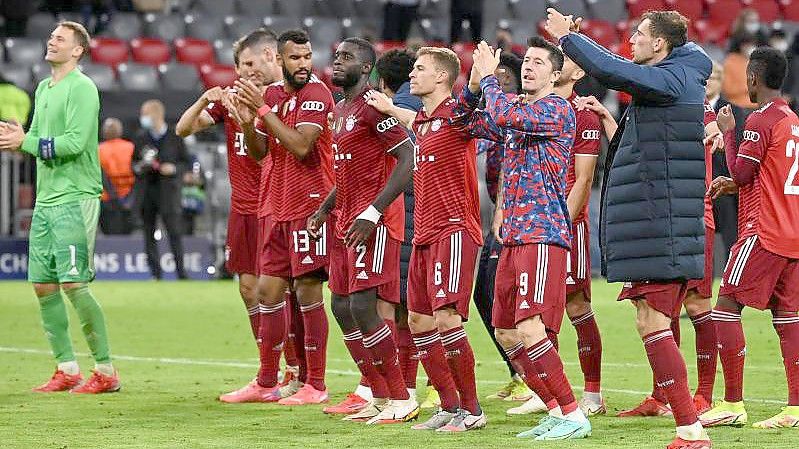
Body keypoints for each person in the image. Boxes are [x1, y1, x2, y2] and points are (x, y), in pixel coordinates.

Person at [548, 7, 712, 448]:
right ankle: (685, 423)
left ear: (660, 44)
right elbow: (622, 72)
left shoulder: (673, 80)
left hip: (664, 224)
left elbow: (613, 70)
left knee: (653, 320)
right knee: (649, 320)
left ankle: (691, 430)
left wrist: (569, 40)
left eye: (638, 35)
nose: (631, 41)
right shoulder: (671, 79)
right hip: (657, 222)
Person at [459, 38, 591, 440]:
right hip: (514, 236)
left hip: (542, 234)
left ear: (555, 74)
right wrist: (471, 86)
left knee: (531, 327)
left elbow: (499, 111)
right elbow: (467, 122)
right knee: (505, 331)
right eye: (526, 61)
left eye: (538, 63)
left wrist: (488, 81)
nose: (528, 67)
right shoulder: (515, 111)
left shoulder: (556, 109)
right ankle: (554, 408)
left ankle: (573, 412)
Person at [366, 46, 486, 431]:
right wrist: (388, 107)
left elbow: (468, 101)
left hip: (454, 229)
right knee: (418, 320)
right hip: (424, 234)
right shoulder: (425, 121)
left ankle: (473, 411)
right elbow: (415, 118)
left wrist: (480, 77)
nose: (412, 75)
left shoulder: (458, 115)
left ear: (441, 78)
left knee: (447, 318)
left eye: (420, 69)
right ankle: (449, 406)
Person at [175, 29, 294, 403]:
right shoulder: (229, 98)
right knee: (247, 289)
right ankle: (267, 370)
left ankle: (293, 368)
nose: (242, 72)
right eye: (239, 66)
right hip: (243, 207)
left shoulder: (287, 97)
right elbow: (183, 129)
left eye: (247, 64)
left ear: (270, 56)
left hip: (277, 203)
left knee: (281, 290)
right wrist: (203, 99)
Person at [0, 21, 119, 394]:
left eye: (60, 39)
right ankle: (67, 368)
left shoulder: (82, 88)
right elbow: (36, 139)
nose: (52, 41)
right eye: (51, 37)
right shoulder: (42, 88)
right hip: (46, 200)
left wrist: (27, 141)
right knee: (43, 285)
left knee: (74, 283)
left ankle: (105, 370)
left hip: (76, 196)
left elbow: (73, 142)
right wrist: (21, 140)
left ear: (78, 50)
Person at [308, 37, 418, 424]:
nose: (338, 62)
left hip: (373, 224)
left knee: (362, 305)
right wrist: (326, 207)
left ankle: (401, 397)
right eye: (336, 55)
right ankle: (378, 394)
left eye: (348, 57)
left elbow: (409, 157)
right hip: (344, 221)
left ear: (367, 67)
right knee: (340, 306)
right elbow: (349, 171)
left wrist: (374, 211)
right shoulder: (339, 111)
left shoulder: (374, 107)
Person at [233, 29, 334, 406]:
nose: (303, 64)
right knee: (267, 291)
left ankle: (316, 384)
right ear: (279, 59)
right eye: (295, 58)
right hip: (275, 205)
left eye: (307, 56)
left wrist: (260, 111)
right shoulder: (274, 96)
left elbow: (302, 146)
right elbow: (261, 153)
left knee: (308, 290)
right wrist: (247, 121)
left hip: (310, 206)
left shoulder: (316, 95)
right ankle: (267, 380)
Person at [700, 47, 799, 430]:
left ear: (754, 78)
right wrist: (736, 185)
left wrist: (728, 131)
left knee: (724, 305)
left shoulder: (760, 119)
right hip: (792, 233)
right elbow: (765, 176)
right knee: (789, 319)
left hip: (763, 231)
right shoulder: (792, 120)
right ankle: (793, 410)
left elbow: (742, 171)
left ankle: (732, 403)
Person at [505, 50, 606, 418]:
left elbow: (584, 177)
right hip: (527, 223)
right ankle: (548, 391)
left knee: (575, 304)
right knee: (534, 312)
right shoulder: (527, 106)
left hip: (562, 221)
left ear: (574, 71)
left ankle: (591, 393)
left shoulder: (582, 113)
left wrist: (562, 219)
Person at [471, 51, 532, 404]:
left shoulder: (520, 117)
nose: (501, 84)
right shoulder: (489, 122)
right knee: (484, 296)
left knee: (508, 301)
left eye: (505, 77)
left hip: (517, 218)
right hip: (494, 216)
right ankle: (518, 372)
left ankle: (533, 378)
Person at [132, 99, 190, 280]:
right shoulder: (141, 137)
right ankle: (155, 274)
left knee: (174, 232)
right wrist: (142, 166)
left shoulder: (175, 136)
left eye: (145, 114)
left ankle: (181, 273)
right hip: (147, 192)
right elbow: (133, 164)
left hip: (168, 192)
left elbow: (186, 163)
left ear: (156, 115)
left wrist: (173, 169)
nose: (143, 118)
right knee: (148, 234)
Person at [98, 117, 135, 235]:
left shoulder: (98, 149)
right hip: (128, 199)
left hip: (107, 199)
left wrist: (113, 194)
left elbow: (100, 174)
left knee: (109, 234)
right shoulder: (131, 147)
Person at [723, 32, 759, 109]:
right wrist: (748, 88)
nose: (750, 47)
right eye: (747, 45)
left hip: (757, 105)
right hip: (738, 106)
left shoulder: (757, 61)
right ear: (740, 46)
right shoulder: (730, 62)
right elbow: (728, 90)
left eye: (752, 44)